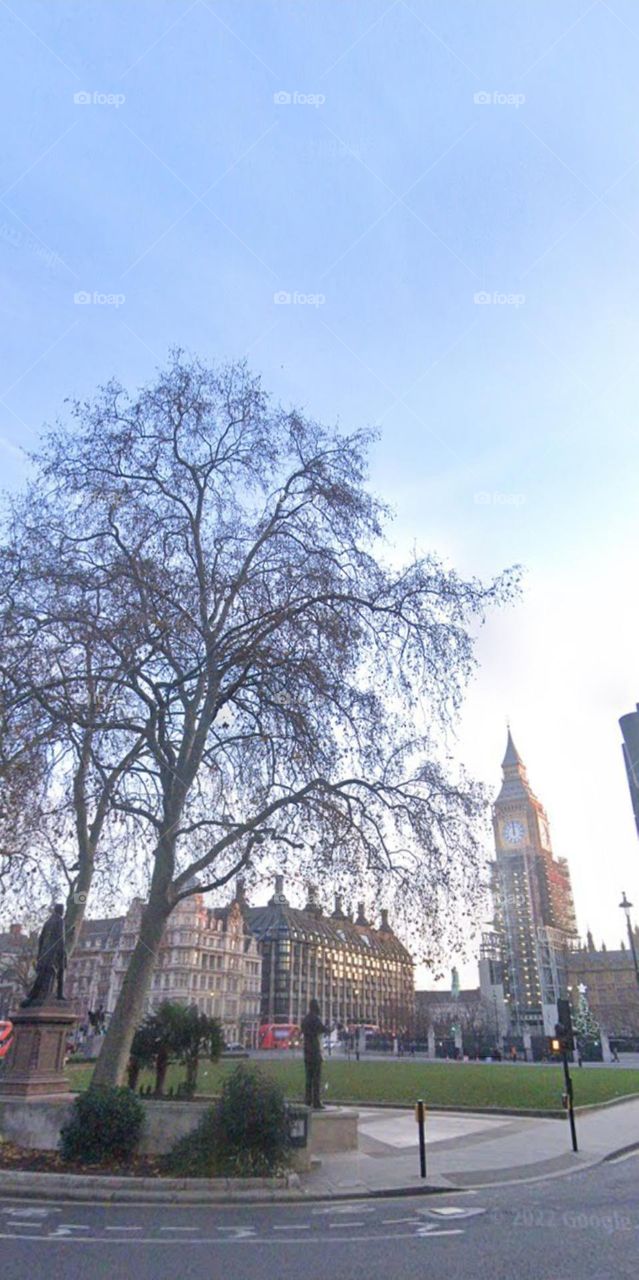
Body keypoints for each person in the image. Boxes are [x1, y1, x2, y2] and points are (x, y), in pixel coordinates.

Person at [21, 904, 67, 1007]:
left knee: (42, 974)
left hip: (45, 953)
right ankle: (59, 994)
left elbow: (41, 939)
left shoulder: (47, 922)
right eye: (62, 910)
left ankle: (34, 995)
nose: (63, 912)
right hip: (55, 953)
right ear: (60, 911)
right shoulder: (60, 921)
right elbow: (61, 938)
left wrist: (40, 954)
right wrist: (62, 953)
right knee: (60, 971)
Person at [301, 998, 327, 1109]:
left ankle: (307, 1100)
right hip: (315, 1051)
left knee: (308, 1077)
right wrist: (333, 1027)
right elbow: (324, 1029)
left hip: (307, 1051)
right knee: (316, 1078)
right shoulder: (316, 1019)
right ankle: (316, 1101)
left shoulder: (305, 1019)